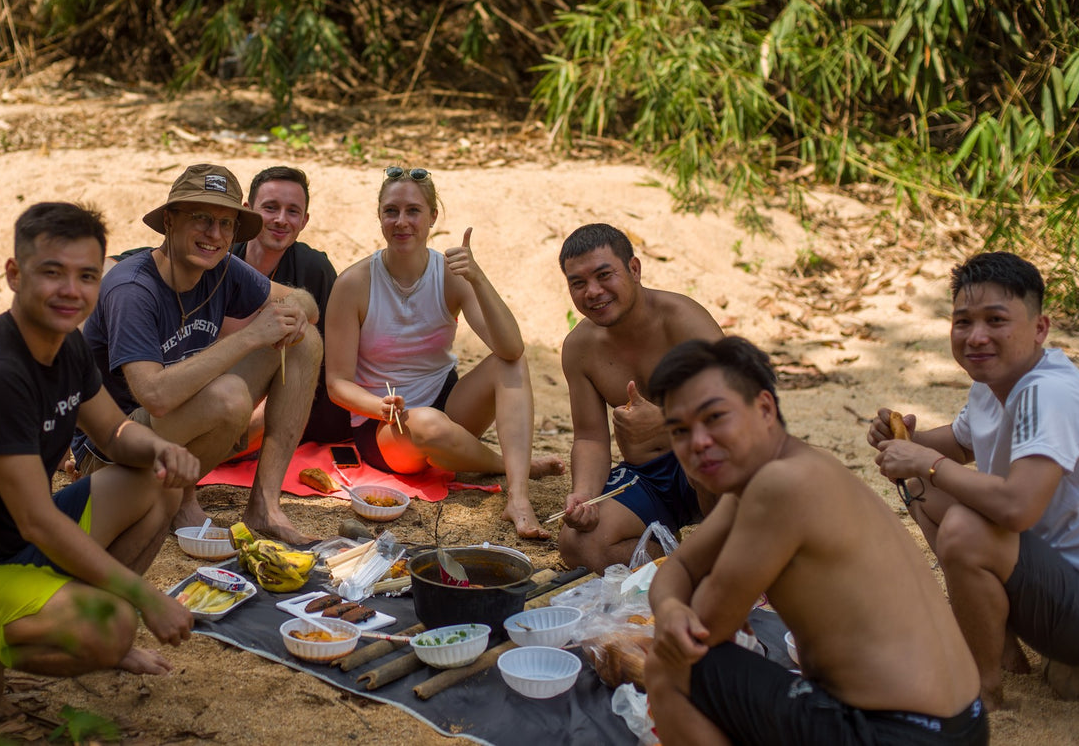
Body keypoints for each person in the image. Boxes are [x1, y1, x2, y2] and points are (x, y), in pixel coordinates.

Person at [0, 202, 202, 719]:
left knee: (159, 485)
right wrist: (145, 598)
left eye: (87, 276)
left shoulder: (65, 347)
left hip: (18, 542)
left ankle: (73, 617)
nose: (71, 290)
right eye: (52, 272)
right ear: (15, 275)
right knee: (113, 624)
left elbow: (112, 430)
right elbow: (37, 520)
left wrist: (161, 449)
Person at [645, 337, 987, 746]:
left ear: (765, 409)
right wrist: (667, 609)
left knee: (671, 669)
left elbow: (705, 629)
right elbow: (679, 567)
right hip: (963, 723)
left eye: (715, 417)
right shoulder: (796, 463)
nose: (697, 442)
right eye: (679, 431)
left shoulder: (780, 485)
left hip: (898, 733)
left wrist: (679, 619)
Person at [871, 251, 1079, 709]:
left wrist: (923, 459)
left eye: (996, 320)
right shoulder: (993, 382)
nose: (976, 336)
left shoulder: (1049, 393)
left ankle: (982, 690)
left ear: (1040, 328)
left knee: (965, 527)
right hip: (1054, 581)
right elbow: (963, 446)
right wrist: (906, 439)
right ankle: (1002, 646)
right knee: (926, 490)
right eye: (963, 322)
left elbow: (1017, 507)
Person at [77, 163, 323, 545]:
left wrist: (294, 312)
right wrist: (250, 337)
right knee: (228, 395)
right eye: (202, 218)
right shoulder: (132, 288)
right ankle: (180, 500)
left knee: (305, 340)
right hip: (113, 448)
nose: (215, 234)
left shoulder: (221, 267)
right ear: (170, 221)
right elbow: (155, 397)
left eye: (227, 224)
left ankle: (263, 505)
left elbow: (308, 305)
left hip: (179, 430)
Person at [324, 165, 564, 539]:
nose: (402, 222)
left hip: (447, 403)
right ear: (380, 217)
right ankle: (513, 466)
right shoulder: (354, 283)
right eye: (391, 211)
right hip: (384, 424)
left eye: (413, 211)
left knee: (509, 365)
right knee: (426, 423)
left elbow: (512, 347)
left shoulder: (449, 273)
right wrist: (377, 408)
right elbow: (337, 383)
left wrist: (478, 279)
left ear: (433, 216)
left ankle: (518, 497)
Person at [556, 223, 723, 572]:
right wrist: (584, 494)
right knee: (578, 544)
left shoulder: (684, 321)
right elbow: (590, 438)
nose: (593, 292)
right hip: (651, 476)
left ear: (634, 269)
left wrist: (669, 425)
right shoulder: (580, 348)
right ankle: (691, 566)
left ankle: (739, 550)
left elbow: (738, 413)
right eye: (578, 283)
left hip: (711, 464)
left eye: (604, 275)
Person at [227, 166, 349, 445]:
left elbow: (325, 361)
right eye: (270, 208)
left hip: (286, 398)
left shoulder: (314, 269)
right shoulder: (220, 256)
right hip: (225, 387)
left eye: (292, 211)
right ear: (247, 210)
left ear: (304, 220)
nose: (281, 220)